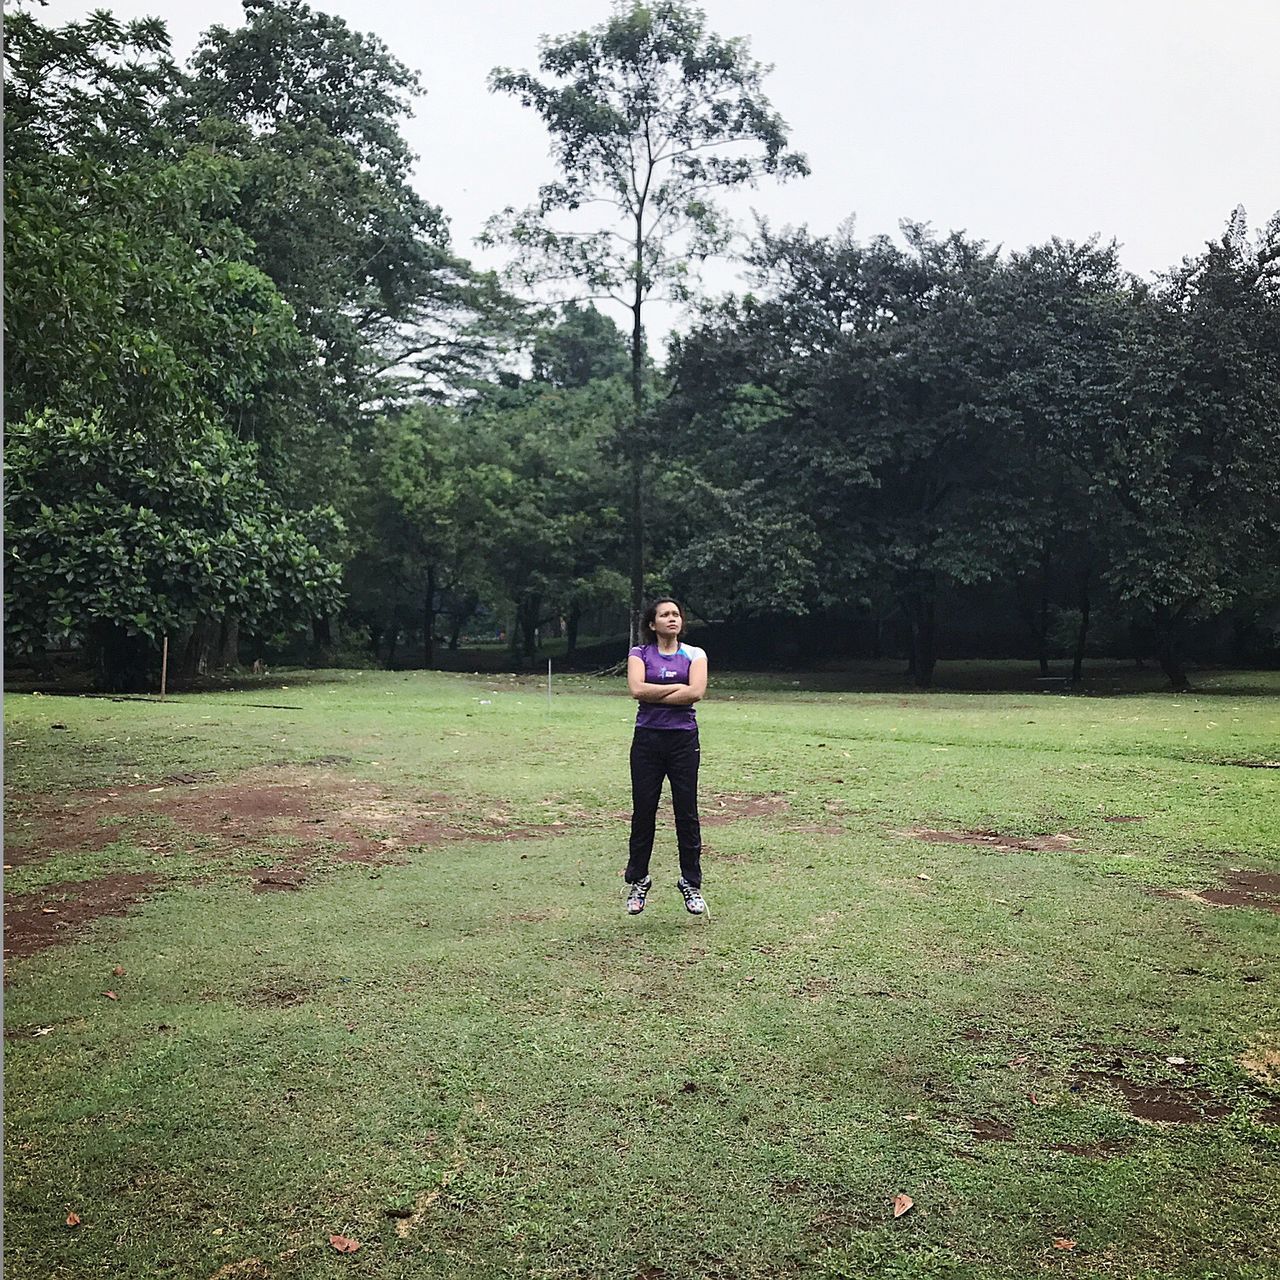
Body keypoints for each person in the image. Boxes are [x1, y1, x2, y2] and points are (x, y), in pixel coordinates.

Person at [623, 598, 708, 915]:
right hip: (647, 739)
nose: (672, 619)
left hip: (683, 740)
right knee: (643, 810)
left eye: (676, 614)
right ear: (652, 624)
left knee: (686, 811)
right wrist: (678, 686)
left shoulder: (695, 654)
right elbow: (636, 689)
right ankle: (638, 879)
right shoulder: (639, 653)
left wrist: (655, 688)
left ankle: (690, 883)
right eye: (664, 615)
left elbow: (696, 692)